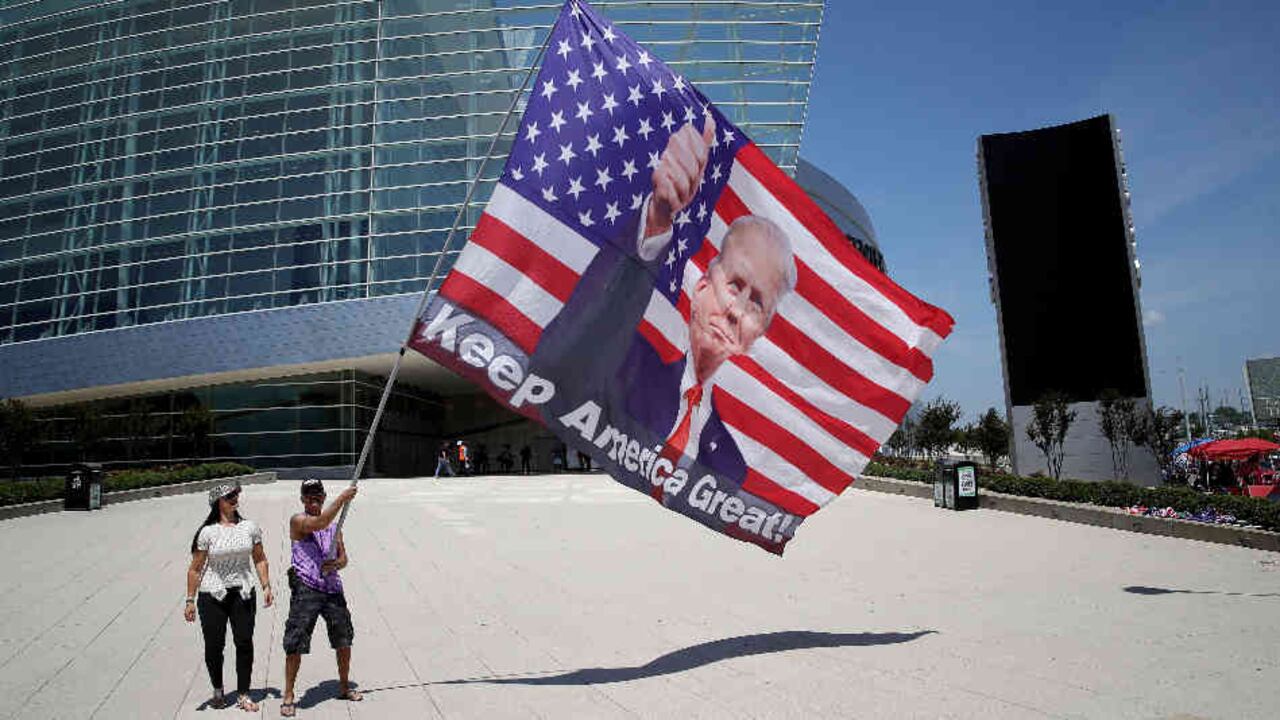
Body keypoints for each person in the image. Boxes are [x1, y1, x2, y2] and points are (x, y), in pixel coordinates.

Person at [184, 481, 273, 712]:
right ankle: (218, 690)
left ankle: (243, 693)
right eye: (229, 496)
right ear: (218, 502)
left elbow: (260, 558)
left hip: (243, 592)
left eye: (236, 495)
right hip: (212, 594)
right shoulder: (207, 532)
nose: (235, 499)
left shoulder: (249, 527)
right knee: (214, 646)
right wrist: (190, 600)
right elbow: (195, 568)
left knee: (244, 642)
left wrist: (266, 586)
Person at [280, 479, 360, 717]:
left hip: (332, 588)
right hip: (307, 588)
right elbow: (319, 522)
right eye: (309, 496)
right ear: (302, 499)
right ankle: (288, 695)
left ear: (323, 496)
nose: (314, 499)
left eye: (318, 495)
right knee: (296, 641)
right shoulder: (298, 521)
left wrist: (335, 563)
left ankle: (344, 687)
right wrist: (343, 498)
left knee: (344, 638)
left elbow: (344, 558)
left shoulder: (335, 528)